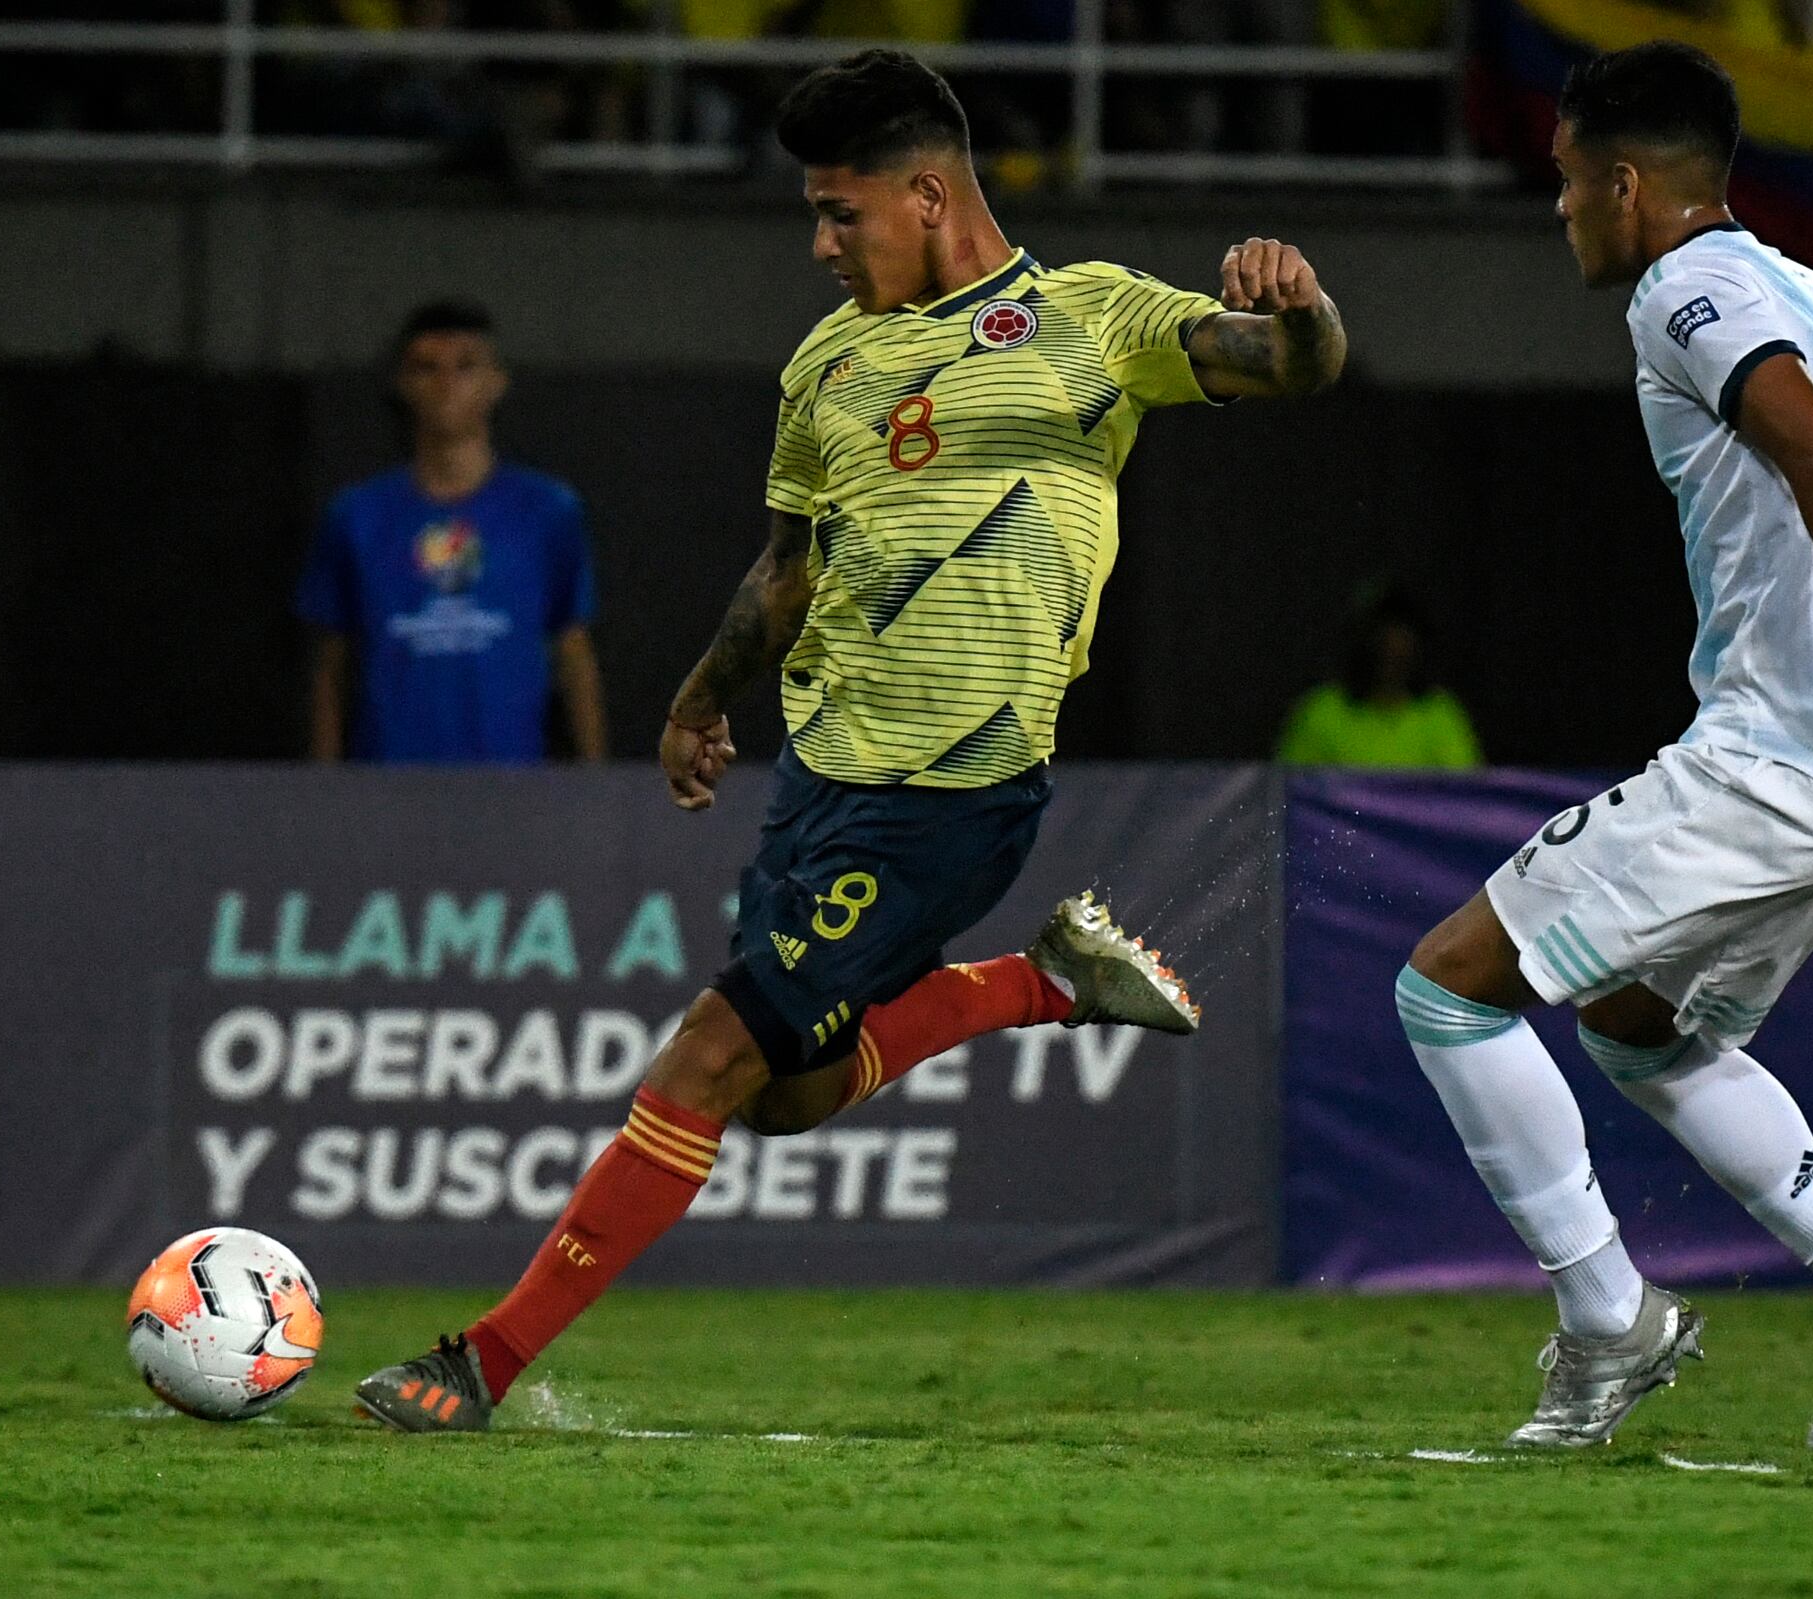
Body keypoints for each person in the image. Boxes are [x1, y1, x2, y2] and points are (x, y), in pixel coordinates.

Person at [352, 48, 1346, 1431]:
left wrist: (1299, 314)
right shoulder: (828, 362)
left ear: (928, 197)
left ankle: (480, 1363)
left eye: (841, 215)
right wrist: (704, 696)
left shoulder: (1088, 321)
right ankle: (1038, 981)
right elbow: (785, 569)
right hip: (821, 774)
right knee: (786, 1095)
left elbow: (1288, 368)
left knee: (707, 1053)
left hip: (952, 794)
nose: (820, 245)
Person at [1393, 42, 1813, 1454]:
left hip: (1784, 746)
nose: (1559, 207)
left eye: (1567, 179)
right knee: (1643, 1029)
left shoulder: (1682, 288)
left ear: (1626, 183)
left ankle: (1604, 1319)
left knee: (1448, 989)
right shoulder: (1807, 285)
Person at [297, 299, 607, 765]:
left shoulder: (546, 511)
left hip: (513, 785)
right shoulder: (358, 515)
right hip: (387, 784)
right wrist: (323, 786)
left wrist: (594, 782)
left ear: (496, 381)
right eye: (427, 368)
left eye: (465, 366)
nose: (446, 385)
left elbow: (573, 648)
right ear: (403, 384)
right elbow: (331, 662)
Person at [1276, 584, 1482, 769]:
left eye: (1401, 641)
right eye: (1383, 640)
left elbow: (1466, 799)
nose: (1392, 651)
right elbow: (1287, 795)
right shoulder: (1321, 712)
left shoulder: (1441, 715)